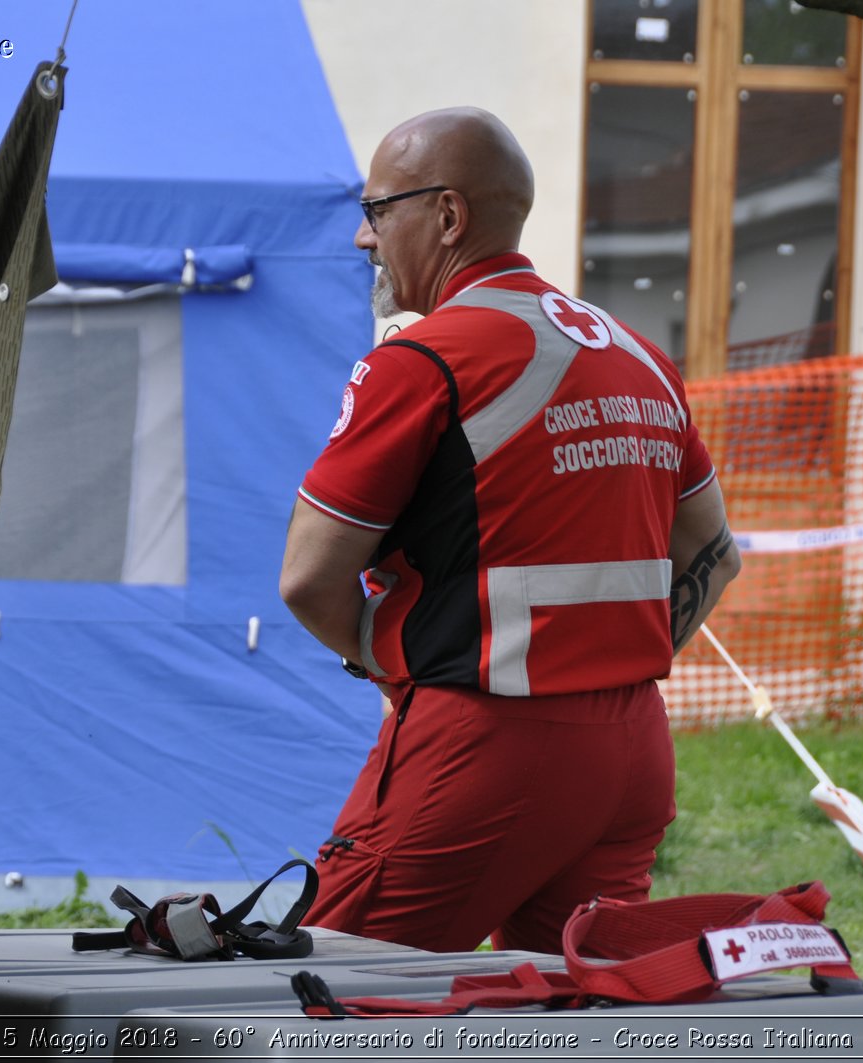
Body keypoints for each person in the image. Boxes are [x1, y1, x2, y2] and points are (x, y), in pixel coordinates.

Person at [279, 107, 740, 955]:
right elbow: (714, 555)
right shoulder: (638, 356)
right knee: (564, 1008)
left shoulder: (420, 363)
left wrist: (392, 663)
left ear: (448, 216)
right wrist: (609, 663)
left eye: (379, 211)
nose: (362, 238)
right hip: (634, 746)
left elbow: (308, 577)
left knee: (333, 988)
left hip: (487, 741)